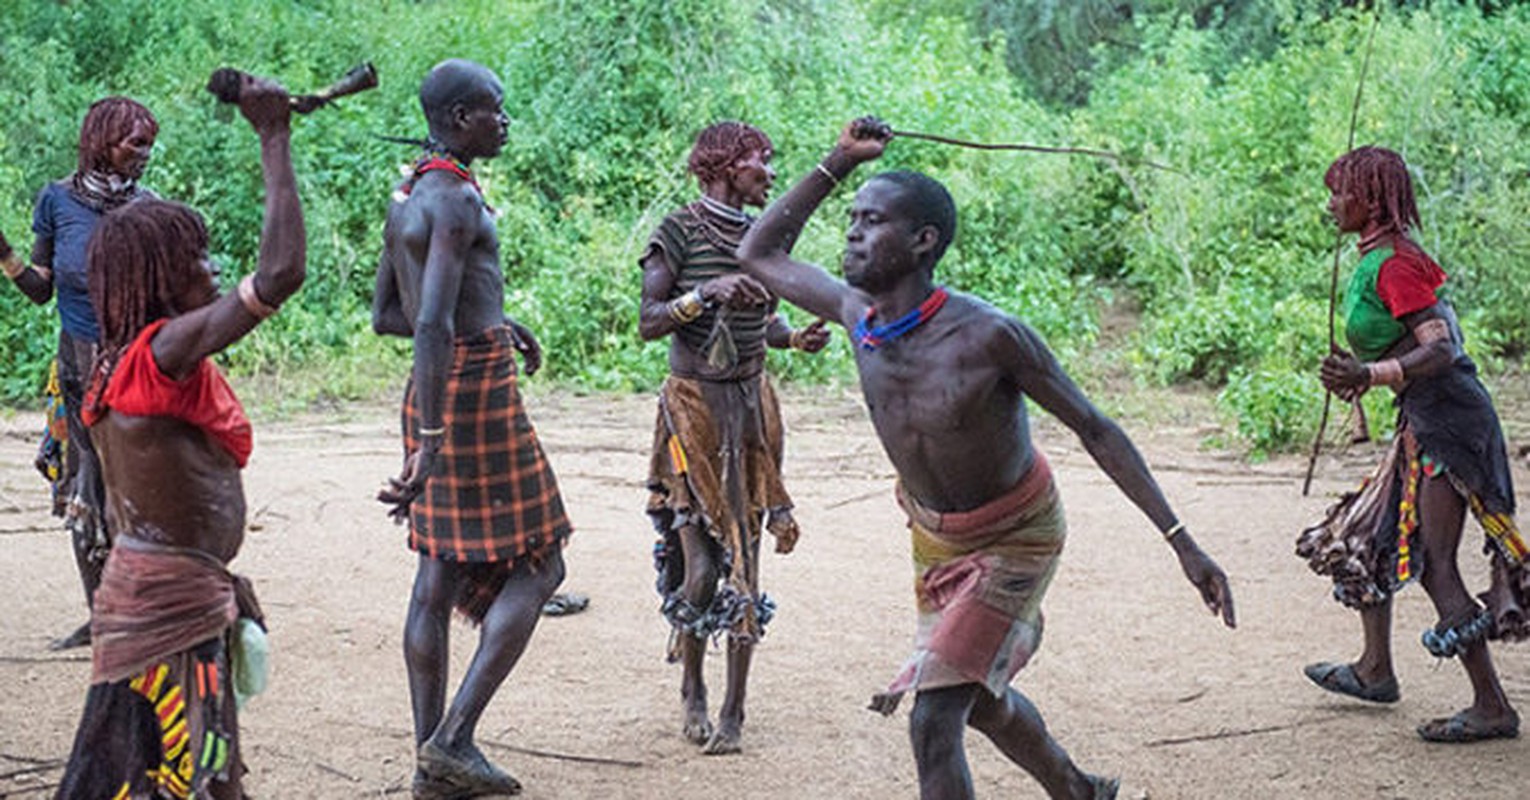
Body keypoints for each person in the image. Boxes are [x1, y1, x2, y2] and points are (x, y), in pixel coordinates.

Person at [737, 118, 1236, 800]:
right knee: (976, 699)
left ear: (923, 241)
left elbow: (1095, 428)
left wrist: (1183, 542)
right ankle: (1080, 790)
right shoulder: (859, 317)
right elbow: (759, 251)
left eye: (872, 221)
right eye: (852, 219)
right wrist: (840, 161)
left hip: (1018, 537)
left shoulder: (990, 336)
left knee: (933, 717)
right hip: (936, 539)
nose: (852, 232)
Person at [51, 73, 303, 800]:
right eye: (197, 258)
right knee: (195, 769)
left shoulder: (123, 359)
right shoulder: (160, 353)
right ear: (159, 277)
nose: (212, 269)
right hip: (167, 598)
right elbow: (280, 273)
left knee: (176, 765)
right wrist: (274, 137)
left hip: (158, 591)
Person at [373, 59, 572, 799]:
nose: (505, 120)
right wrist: (431, 440)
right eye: (495, 109)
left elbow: (387, 314)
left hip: (445, 384)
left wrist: (495, 319)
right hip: (470, 396)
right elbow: (424, 323)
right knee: (543, 565)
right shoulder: (454, 200)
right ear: (460, 119)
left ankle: (433, 764)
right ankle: (452, 740)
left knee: (438, 572)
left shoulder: (409, 196)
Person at [1296, 145, 1526, 742]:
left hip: (1449, 428)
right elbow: (1409, 345)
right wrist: (1362, 373)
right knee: (1368, 538)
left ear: (1371, 201)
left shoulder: (1397, 262)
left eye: (1339, 192)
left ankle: (1493, 706)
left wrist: (1370, 375)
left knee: (1435, 563)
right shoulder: (1379, 260)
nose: (1330, 203)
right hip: (1425, 420)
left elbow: (1442, 348)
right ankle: (1375, 671)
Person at [639, 121, 830, 755]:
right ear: (724, 166)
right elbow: (648, 321)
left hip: (750, 412)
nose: (769, 173)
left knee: (746, 561)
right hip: (691, 414)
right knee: (699, 569)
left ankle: (734, 711)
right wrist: (704, 293)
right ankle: (692, 684)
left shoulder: (759, 237)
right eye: (760, 162)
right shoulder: (678, 231)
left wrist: (793, 338)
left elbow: (765, 320)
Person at [1, 96, 159, 650]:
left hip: (134, 368)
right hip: (75, 368)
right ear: (100, 141)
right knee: (80, 493)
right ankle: (101, 616)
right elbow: (43, 290)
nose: (144, 153)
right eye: (133, 143)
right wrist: (5, 254)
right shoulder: (57, 201)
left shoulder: (149, 210)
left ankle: (131, 616)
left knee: (131, 495)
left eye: (147, 144)